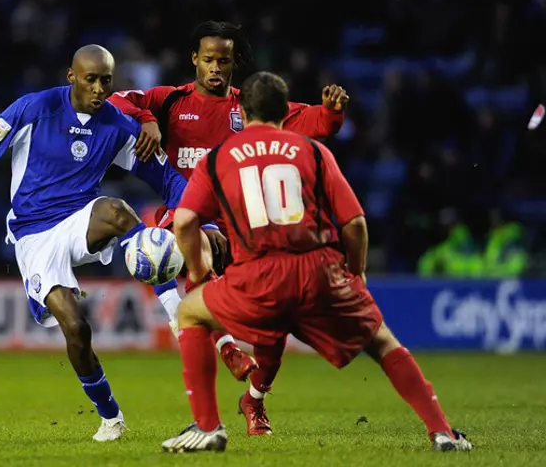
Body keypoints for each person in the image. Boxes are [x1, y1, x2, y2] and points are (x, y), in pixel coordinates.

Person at [161, 72, 473, 453]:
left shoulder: (218, 158)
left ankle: (208, 426)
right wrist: (354, 274)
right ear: (284, 111)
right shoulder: (311, 151)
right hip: (319, 272)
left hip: (256, 277)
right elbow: (355, 223)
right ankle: (441, 431)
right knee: (382, 343)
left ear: (241, 112)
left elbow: (184, 221)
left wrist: (198, 273)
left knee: (191, 312)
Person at [109, 21, 350, 435]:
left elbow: (315, 125)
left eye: (224, 60)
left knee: (274, 327)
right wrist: (148, 118)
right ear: (194, 61)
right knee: (181, 247)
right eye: (208, 60)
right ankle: (224, 354)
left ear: (235, 62)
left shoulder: (251, 109)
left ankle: (254, 399)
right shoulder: (169, 101)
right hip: (187, 217)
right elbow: (116, 99)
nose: (215, 68)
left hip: (246, 226)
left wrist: (331, 111)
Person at [0, 45, 189, 442]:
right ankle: (111, 416)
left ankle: (176, 312)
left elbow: (170, 181)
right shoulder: (34, 108)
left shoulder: (118, 126)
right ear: (71, 77)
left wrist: (198, 216)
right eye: (90, 79)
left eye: (106, 81)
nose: (99, 89)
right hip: (33, 234)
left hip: (81, 220)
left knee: (117, 209)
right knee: (77, 329)